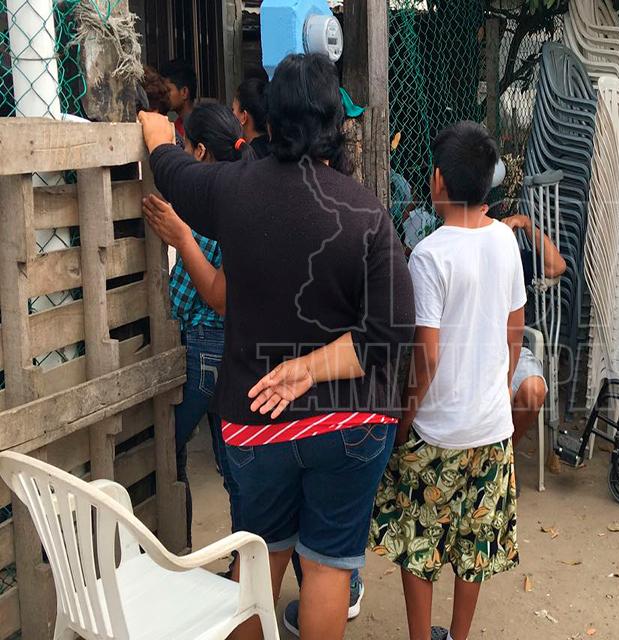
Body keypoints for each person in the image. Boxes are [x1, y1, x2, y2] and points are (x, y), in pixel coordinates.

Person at [140, 52, 415, 640]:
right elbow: (393, 332)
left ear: (268, 118)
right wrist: (312, 369)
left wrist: (159, 134)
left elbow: (174, 173)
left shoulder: (232, 190)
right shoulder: (365, 211)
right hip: (352, 421)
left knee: (258, 562)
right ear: (335, 121)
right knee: (328, 567)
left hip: (256, 421)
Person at [369, 121, 523, 640]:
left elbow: (427, 357)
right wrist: (500, 389)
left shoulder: (430, 255)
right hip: (491, 428)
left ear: (437, 180)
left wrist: (404, 417)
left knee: (419, 540)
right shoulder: (505, 241)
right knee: (475, 543)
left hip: (436, 431)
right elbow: (515, 331)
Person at [141, 103, 254, 550]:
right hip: (232, 348)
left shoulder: (203, 203)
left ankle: (178, 550)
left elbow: (196, 294)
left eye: (187, 148)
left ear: (201, 151)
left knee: (167, 451)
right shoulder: (243, 191)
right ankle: (244, 562)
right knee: (234, 467)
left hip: (202, 344)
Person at [500, 212, 565, 459]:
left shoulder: (512, 258)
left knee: (534, 390)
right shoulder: (460, 256)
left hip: (511, 347)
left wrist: (526, 224)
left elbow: (557, 266)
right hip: (473, 352)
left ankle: (504, 456)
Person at [159, 59, 197, 139]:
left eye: (168, 90)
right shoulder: (172, 122)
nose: (163, 95)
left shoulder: (200, 127)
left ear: (184, 92)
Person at [233, 77, 270, 158]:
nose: (231, 115)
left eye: (233, 110)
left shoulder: (246, 157)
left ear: (244, 117)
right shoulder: (277, 150)